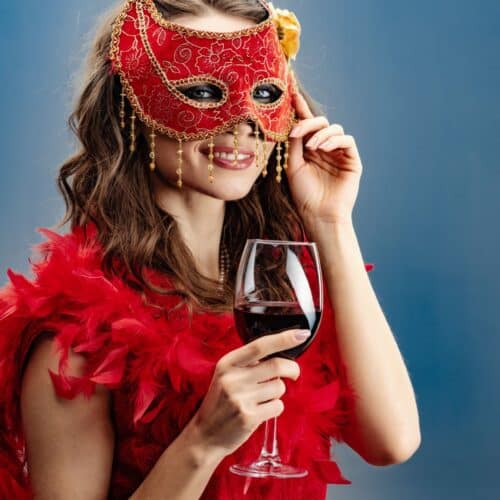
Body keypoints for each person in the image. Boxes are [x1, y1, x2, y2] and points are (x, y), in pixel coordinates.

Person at [0, 0, 421, 498]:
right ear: (129, 103)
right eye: (202, 91)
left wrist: (330, 222)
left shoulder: (280, 291)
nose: (242, 122)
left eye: (264, 92)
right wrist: (203, 440)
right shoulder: (76, 335)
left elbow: (391, 441)